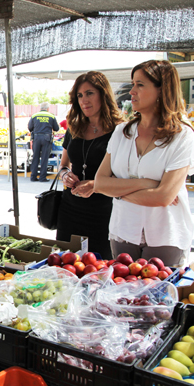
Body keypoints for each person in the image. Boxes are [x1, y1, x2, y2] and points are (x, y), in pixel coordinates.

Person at [94, 60, 194, 266]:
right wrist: (148, 184)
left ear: (162, 90)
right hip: (123, 230)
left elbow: (163, 197)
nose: (132, 91)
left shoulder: (181, 135)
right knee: (124, 294)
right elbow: (100, 183)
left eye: (140, 85)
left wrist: (118, 191)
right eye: (133, 84)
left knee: (158, 296)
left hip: (165, 234)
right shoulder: (121, 132)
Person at [56, 72, 124, 259]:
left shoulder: (121, 131)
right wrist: (65, 175)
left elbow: (128, 176)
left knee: (100, 268)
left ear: (103, 94)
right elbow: (63, 165)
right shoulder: (74, 127)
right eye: (80, 95)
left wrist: (95, 185)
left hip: (104, 211)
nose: (84, 100)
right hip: (70, 208)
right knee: (65, 264)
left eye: (89, 93)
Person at [28, 102, 59, 182]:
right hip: (46, 138)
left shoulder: (34, 115)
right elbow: (56, 128)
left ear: (40, 108)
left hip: (36, 138)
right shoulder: (51, 116)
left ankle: (33, 177)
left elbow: (30, 127)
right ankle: (42, 178)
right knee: (44, 158)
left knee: (35, 157)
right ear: (48, 108)